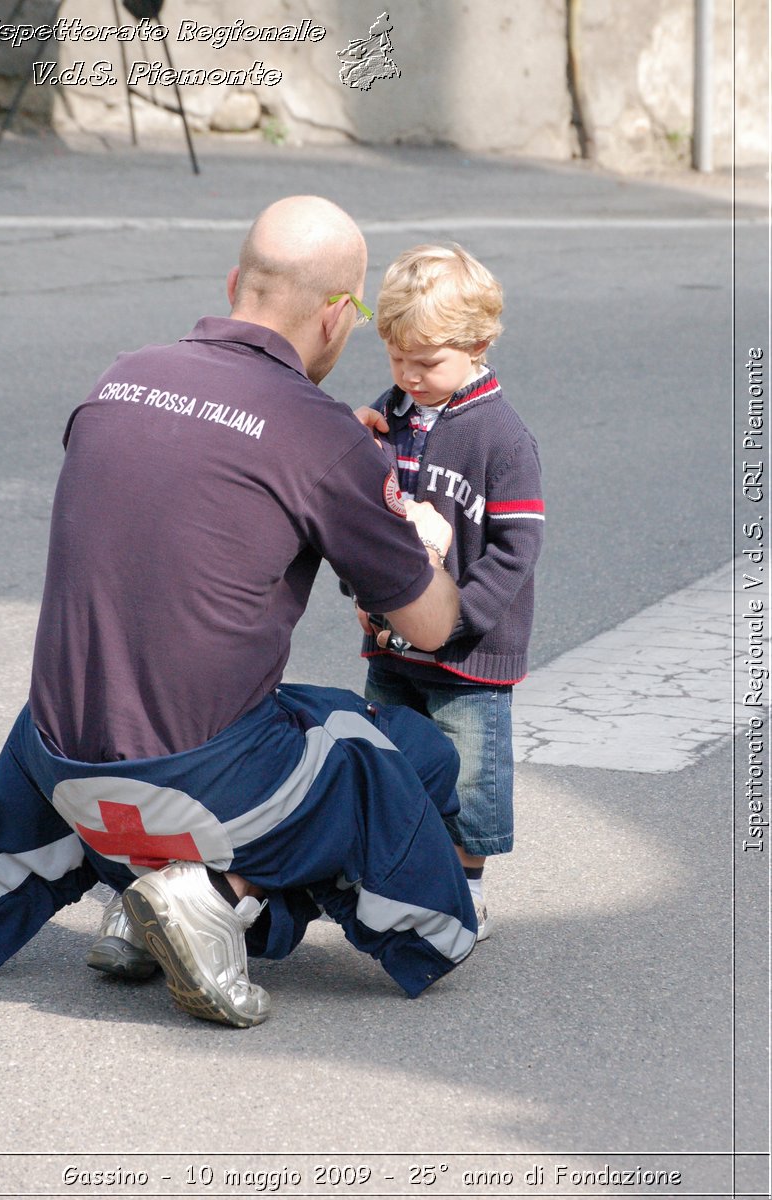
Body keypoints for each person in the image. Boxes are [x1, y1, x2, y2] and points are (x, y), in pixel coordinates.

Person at [0, 197, 478, 1028]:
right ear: (335, 316)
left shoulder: (118, 378)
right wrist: (412, 527)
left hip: (60, 767)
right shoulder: (323, 437)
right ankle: (210, 895)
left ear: (237, 282)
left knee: (124, 687)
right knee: (397, 749)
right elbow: (429, 626)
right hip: (205, 784)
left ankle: (138, 903)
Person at [352, 244, 544, 940]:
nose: (410, 376)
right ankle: (403, 875)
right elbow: (368, 513)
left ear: (479, 345)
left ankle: (464, 888)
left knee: (468, 782)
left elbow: (517, 547)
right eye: (398, 358)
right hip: (392, 641)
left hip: (469, 654)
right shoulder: (391, 414)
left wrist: (463, 619)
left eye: (427, 362)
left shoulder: (502, 437)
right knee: (390, 762)